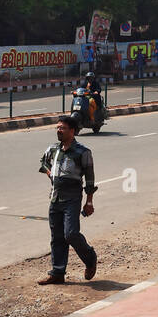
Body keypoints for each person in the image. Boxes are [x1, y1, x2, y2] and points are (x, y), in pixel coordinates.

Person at [37, 114, 99, 283]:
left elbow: (90, 179)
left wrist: (89, 201)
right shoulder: (53, 149)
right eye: (57, 127)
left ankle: (90, 258)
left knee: (70, 234)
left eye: (62, 128)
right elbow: (43, 163)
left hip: (72, 199)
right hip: (55, 198)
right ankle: (57, 273)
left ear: (72, 131)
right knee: (56, 237)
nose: (59, 130)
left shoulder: (83, 152)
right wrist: (51, 174)